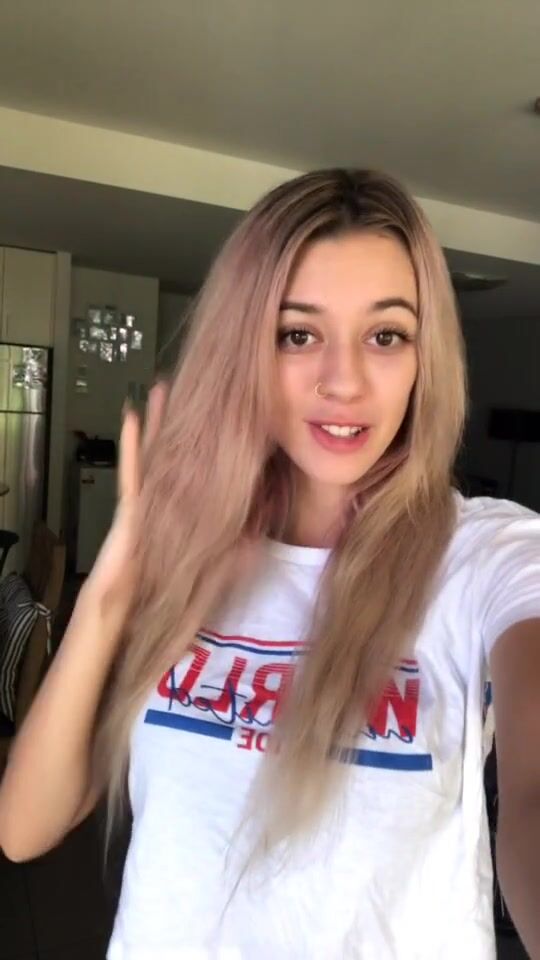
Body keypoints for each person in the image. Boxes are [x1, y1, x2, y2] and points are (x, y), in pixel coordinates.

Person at [0, 168, 539, 960]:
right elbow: (24, 827)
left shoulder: (489, 555)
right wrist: (111, 590)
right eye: (298, 334)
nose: (344, 381)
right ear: (244, 349)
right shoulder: (190, 555)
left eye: (386, 335)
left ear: (426, 357)